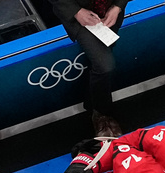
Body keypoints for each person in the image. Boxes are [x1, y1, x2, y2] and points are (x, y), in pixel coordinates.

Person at [49, 0, 129, 137]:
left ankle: (91, 101)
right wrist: (75, 11)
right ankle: (101, 114)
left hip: (109, 8)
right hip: (79, 13)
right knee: (105, 65)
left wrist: (118, 6)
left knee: (103, 55)